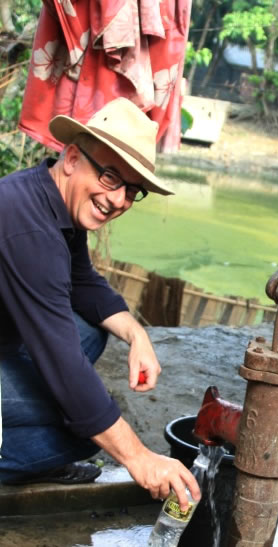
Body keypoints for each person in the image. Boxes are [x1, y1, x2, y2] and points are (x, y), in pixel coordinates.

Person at [0, 98, 200, 511]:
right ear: (73, 158)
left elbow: (83, 282)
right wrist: (138, 457)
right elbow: (62, 362)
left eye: (132, 190)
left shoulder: (51, 199)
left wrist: (137, 335)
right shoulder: (26, 227)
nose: (119, 200)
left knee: (93, 334)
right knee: (80, 433)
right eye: (110, 177)